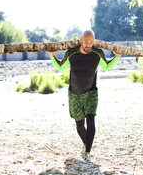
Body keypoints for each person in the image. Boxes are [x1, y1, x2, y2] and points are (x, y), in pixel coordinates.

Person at [48, 30, 122, 162]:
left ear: (94, 42)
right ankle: (85, 143)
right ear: (81, 40)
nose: (89, 45)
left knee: (91, 119)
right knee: (79, 125)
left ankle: (88, 151)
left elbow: (105, 67)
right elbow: (60, 67)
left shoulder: (97, 53)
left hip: (91, 92)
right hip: (74, 93)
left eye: (91, 42)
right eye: (86, 42)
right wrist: (52, 56)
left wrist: (116, 57)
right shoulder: (71, 52)